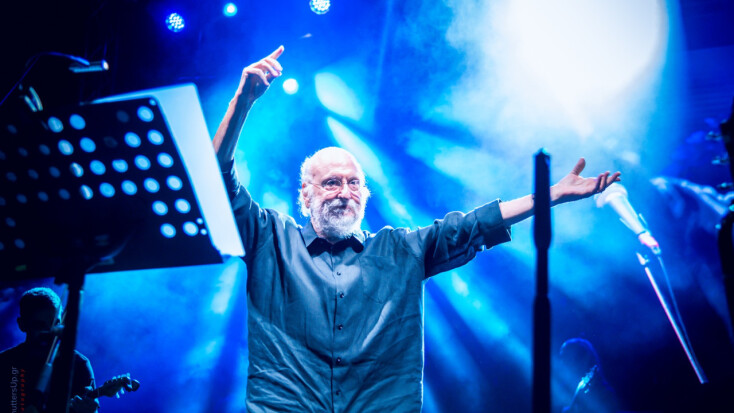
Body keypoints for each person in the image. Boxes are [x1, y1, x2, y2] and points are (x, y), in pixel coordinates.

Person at [212, 46, 621, 412]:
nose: (344, 192)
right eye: (331, 183)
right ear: (305, 194)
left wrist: (550, 195)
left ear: (365, 195)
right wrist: (242, 102)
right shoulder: (270, 238)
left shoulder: (399, 250)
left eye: (354, 183)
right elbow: (217, 180)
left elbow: (472, 226)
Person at [0, 287, 98, 413]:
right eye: (40, 325)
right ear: (22, 324)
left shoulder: (79, 364)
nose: (50, 333)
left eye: (55, 324)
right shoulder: (4, 362)